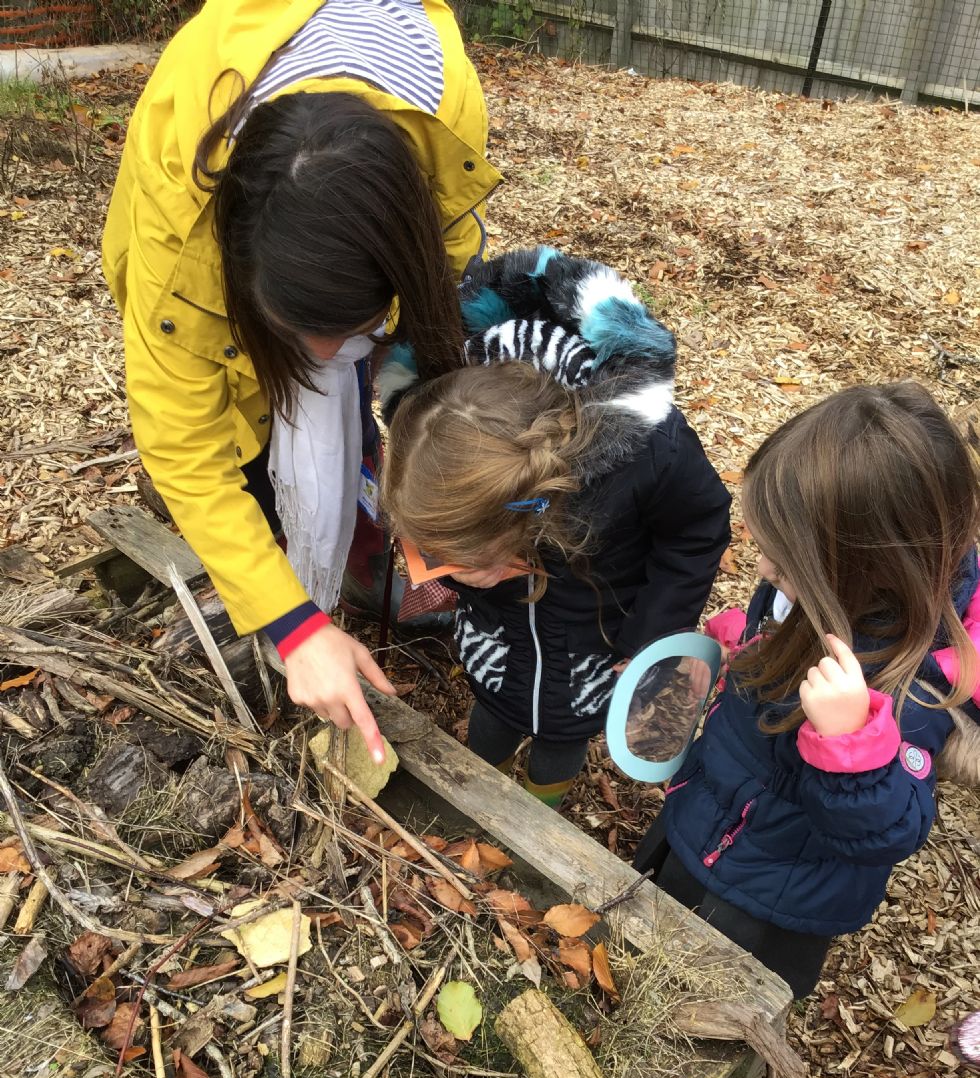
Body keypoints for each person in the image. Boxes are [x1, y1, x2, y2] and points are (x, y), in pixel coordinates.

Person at [101, 0, 501, 762]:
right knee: (241, 448)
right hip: (195, 241)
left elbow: (443, 259)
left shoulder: (443, 113)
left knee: (348, 423)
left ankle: (356, 563)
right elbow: (183, 442)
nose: (323, 353)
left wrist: (403, 379)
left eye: (346, 326)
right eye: (295, 330)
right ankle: (281, 572)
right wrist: (292, 625)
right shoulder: (180, 233)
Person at [634, 382, 980, 998]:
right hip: (710, 811)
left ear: (868, 565)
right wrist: (741, 642)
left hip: (772, 892)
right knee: (650, 933)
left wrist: (853, 746)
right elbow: (776, 630)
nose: (763, 570)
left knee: (708, 1001)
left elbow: (892, 831)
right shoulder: (817, 583)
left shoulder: (914, 684)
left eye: (782, 560)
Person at [380, 247, 732, 807]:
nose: (457, 567)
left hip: (594, 644)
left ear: (534, 509)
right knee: (493, 715)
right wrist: (455, 575)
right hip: (498, 638)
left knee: (561, 742)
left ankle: (540, 809)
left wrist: (651, 630)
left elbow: (698, 530)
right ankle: (482, 793)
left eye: (471, 556)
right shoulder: (443, 427)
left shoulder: (648, 454)